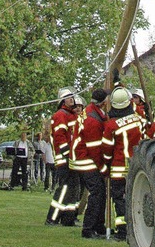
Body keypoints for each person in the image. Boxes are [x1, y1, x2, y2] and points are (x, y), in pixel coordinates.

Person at [101, 86, 144, 241]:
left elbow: (106, 149)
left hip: (118, 169)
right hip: (136, 167)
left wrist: (106, 166)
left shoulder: (111, 125)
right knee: (136, 198)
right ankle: (136, 229)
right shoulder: (139, 120)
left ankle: (122, 231)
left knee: (119, 200)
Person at [72, 88, 109, 239]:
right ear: (103, 102)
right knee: (97, 192)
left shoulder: (93, 113)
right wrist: (103, 168)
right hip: (85, 159)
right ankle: (88, 229)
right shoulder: (92, 120)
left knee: (101, 192)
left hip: (86, 157)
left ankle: (99, 227)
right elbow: (94, 148)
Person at [46, 88, 80, 226]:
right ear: (62, 101)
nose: (71, 99)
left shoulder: (72, 115)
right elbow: (60, 136)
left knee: (74, 189)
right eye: (68, 97)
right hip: (64, 158)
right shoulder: (60, 115)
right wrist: (67, 154)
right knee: (64, 188)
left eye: (72, 97)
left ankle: (68, 219)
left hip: (73, 158)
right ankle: (52, 218)